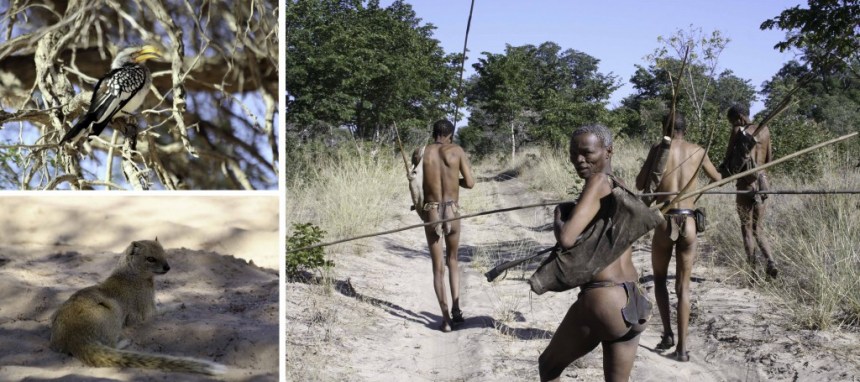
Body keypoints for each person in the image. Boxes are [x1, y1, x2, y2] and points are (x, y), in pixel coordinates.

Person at [539, 125, 651, 382]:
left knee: (548, 366)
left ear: (608, 151)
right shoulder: (621, 186)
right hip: (633, 298)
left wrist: (559, 215)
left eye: (587, 152)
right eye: (573, 153)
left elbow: (567, 238)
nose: (579, 159)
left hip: (604, 300)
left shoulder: (597, 181)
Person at [635, 113, 721, 362]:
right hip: (689, 220)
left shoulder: (659, 149)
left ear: (665, 128)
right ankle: (682, 349)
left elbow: (641, 183)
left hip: (665, 219)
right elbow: (717, 179)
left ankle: (668, 334)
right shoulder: (698, 151)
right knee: (684, 288)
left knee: (660, 280)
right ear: (685, 129)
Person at [412, 119, 475, 332]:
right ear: (450, 134)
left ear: (434, 133)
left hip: (431, 211)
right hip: (452, 211)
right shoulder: (457, 150)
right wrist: (452, 180)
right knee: (453, 260)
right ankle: (457, 310)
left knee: (438, 268)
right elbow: (471, 182)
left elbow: (416, 182)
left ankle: (446, 319)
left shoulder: (421, 152)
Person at [721, 104, 778, 278]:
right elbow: (769, 160)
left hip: (745, 185)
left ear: (739, 117)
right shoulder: (765, 130)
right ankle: (770, 261)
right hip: (762, 185)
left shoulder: (738, 131)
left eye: (732, 122)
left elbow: (729, 158)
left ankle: (752, 271)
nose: (733, 125)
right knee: (758, 229)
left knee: (746, 229)